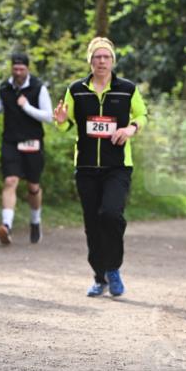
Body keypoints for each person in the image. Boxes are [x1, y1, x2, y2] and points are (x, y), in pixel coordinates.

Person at [54, 36, 147, 298]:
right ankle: (99, 276)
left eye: (106, 56)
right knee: (92, 223)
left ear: (113, 60)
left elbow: (142, 115)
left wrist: (130, 128)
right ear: (90, 61)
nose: (102, 61)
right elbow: (66, 123)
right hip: (85, 167)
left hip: (117, 166)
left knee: (111, 215)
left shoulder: (127, 89)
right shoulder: (76, 89)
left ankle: (114, 269)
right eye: (97, 57)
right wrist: (60, 120)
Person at [0, 52, 53, 244]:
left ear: (27, 69)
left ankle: (35, 222)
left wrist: (27, 107)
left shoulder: (38, 88)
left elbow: (49, 117)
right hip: (11, 142)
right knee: (10, 181)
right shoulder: (5, 87)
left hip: (33, 142)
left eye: (21, 69)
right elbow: (1, 103)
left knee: (33, 187)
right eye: (15, 69)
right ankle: (6, 226)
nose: (18, 72)